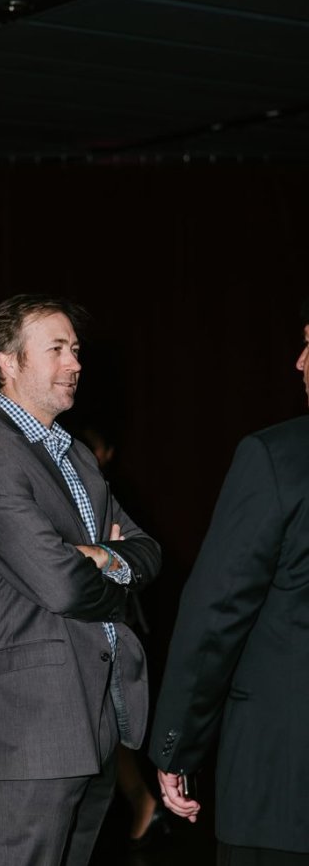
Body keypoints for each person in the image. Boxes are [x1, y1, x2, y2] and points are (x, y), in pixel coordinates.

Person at [0, 292, 162, 866]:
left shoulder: (77, 456)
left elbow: (149, 551)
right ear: (9, 363)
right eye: (57, 349)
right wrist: (98, 563)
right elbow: (62, 585)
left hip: (94, 712)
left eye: (76, 349)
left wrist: (102, 557)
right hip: (35, 720)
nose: (75, 363)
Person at [148, 298, 309, 866]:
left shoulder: (274, 457)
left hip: (284, 785)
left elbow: (217, 614)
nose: (298, 361)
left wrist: (176, 745)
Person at [76, 421, 170, 849]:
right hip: (110, 620)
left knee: (114, 723)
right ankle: (142, 801)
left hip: (117, 621)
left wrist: (104, 557)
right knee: (111, 726)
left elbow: (141, 550)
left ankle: (143, 800)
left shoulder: (108, 492)